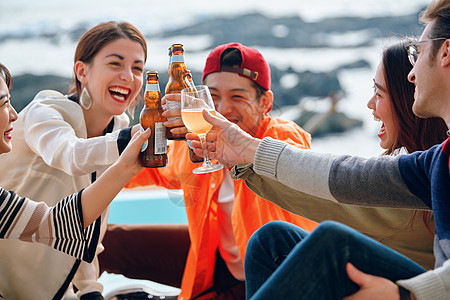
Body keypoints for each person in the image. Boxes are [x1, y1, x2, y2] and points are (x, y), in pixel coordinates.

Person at [187, 0, 450, 298]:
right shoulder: (438, 160)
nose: (412, 74)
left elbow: (346, 193)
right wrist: (247, 151)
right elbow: (346, 177)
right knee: (272, 238)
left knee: (332, 242)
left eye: (419, 52)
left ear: (445, 53)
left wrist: (409, 294)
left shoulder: (285, 133)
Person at [99, 42, 318, 300]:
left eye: (237, 97)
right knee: (103, 241)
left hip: (276, 279)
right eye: (212, 97)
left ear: (265, 103)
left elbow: (295, 158)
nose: (222, 109)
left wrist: (236, 147)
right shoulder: (196, 143)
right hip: (219, 266)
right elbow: (145, 170)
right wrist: (77, 162)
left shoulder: (281, 136)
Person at [227, 39, 449, 271]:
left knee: (272, 240)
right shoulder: (431, 165)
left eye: (380, 94)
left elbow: (337, 191)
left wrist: (246, 156)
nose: (370, 104)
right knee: (277, 236)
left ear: (409, 101)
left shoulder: (417, 194)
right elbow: (346, 178)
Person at [0, 21, 146, 300]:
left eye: (137, 68)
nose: (129, 76)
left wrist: (90, 288)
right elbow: (71, 155)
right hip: (7, 279)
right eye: (116, 64)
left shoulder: (118, 129)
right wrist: (133, 140)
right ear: (82, 71)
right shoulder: (45, 112)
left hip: (54, 284)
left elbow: (91, 222)